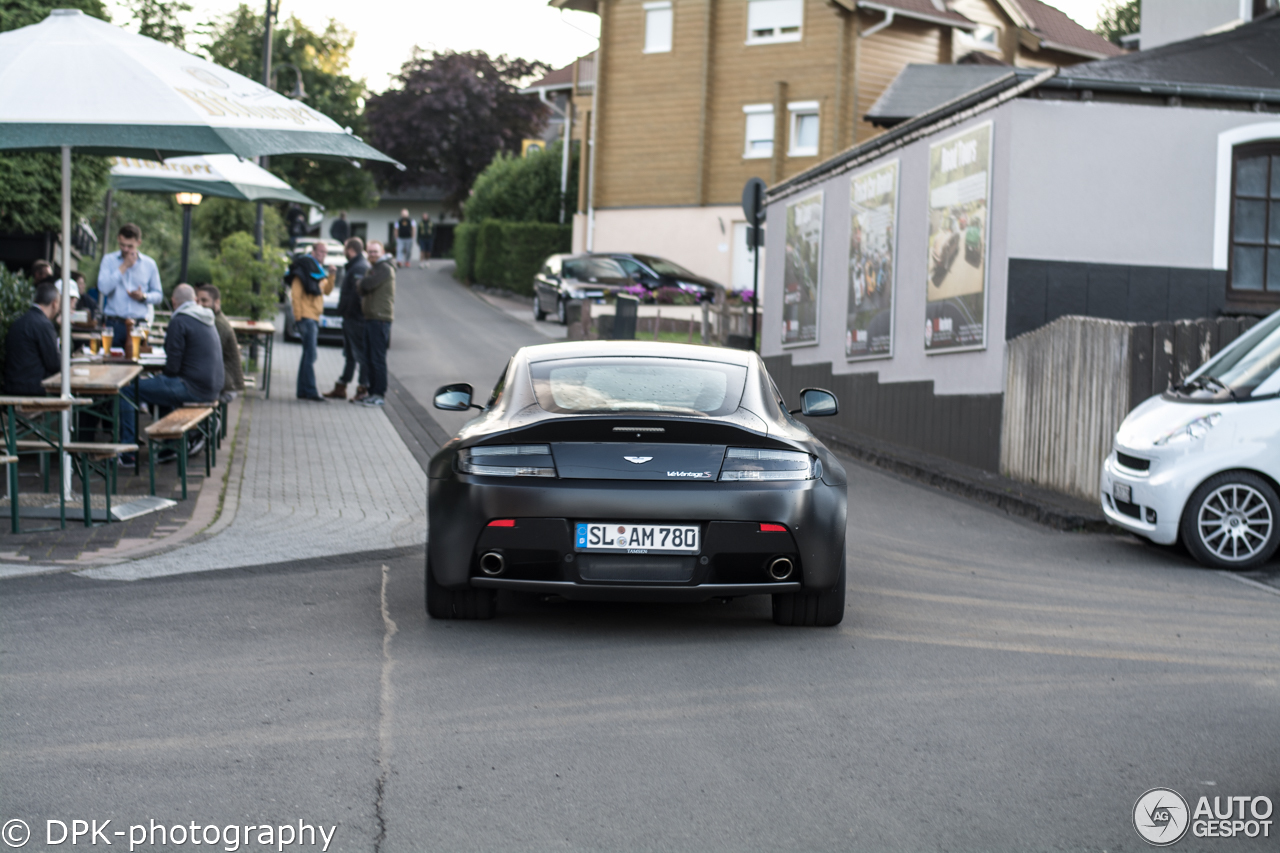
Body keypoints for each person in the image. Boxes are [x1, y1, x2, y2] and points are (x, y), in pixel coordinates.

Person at [119, 284, 223, 463]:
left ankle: (128, 453)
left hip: (192, 388)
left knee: (127, 390)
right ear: (194, 300)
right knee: (159, 386)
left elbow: (172, 368)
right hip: (211, 387)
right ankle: (169, 446)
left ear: (174, 302)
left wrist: (159, 373)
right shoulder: (205, 318)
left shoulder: (179, 321)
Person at [96, 223, 163, 347]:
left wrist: (143, 297)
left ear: (139, 242)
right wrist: (124, 267)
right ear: (118, 239)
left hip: (139, 325)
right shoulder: (109, 260)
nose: (126, 249)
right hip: (114, 323)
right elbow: (103, 288)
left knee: (138, 363)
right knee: (112, 364)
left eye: (130, 246)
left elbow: (159, 295)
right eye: (122, 245)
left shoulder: (149, 264)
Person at [322, 237, 369, 401]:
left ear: (350, 250)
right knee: (349, 355)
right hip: (351, 318)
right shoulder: (356, 266)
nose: (344, 252)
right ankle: (341, 387)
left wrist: (347, 312)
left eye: (344, 249)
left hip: (355, 319)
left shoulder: (360, 267)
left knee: (360, 355)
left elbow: (357, 295)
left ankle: (363, 389)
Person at [289, 241, 336, 401]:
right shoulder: (303, 270)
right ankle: (310, 391)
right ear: (314, 251)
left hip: (314, 317)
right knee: (311, 355)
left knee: (308, 355)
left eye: (325, 252)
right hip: (306, 318)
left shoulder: (318, 270)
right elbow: (295, 295)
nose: (323, 255)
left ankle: (303, 391)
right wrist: (298, 317)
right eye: (320, 251)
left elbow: (327, 291)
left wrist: (332, 275)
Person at [2, 281, 62, 397]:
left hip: (11, 386)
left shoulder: (19, 321)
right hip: (32, 389)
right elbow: (54, 364)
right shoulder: (44, 324)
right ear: (54, 303)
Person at [358, 241, 395, 407]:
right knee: (369, 358)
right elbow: (361, 288)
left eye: (375, 251)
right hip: (371, 317)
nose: (372, 254)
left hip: (380, 319)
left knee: (378, 358)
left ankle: (379, 394)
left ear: (382, 252)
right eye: (370, 252)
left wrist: (362, 282)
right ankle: (372, 392)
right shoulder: (373, 268)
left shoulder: (384, 268)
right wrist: (362, 283)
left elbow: (365, 285)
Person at [196, 284, 245, 400]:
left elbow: (205, 354)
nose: (199, 305)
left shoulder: (218, 324)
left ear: (216, 302)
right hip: (223, 380)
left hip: (227, 385)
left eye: (204, 300)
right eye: (197, 300)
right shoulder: (213, 320)